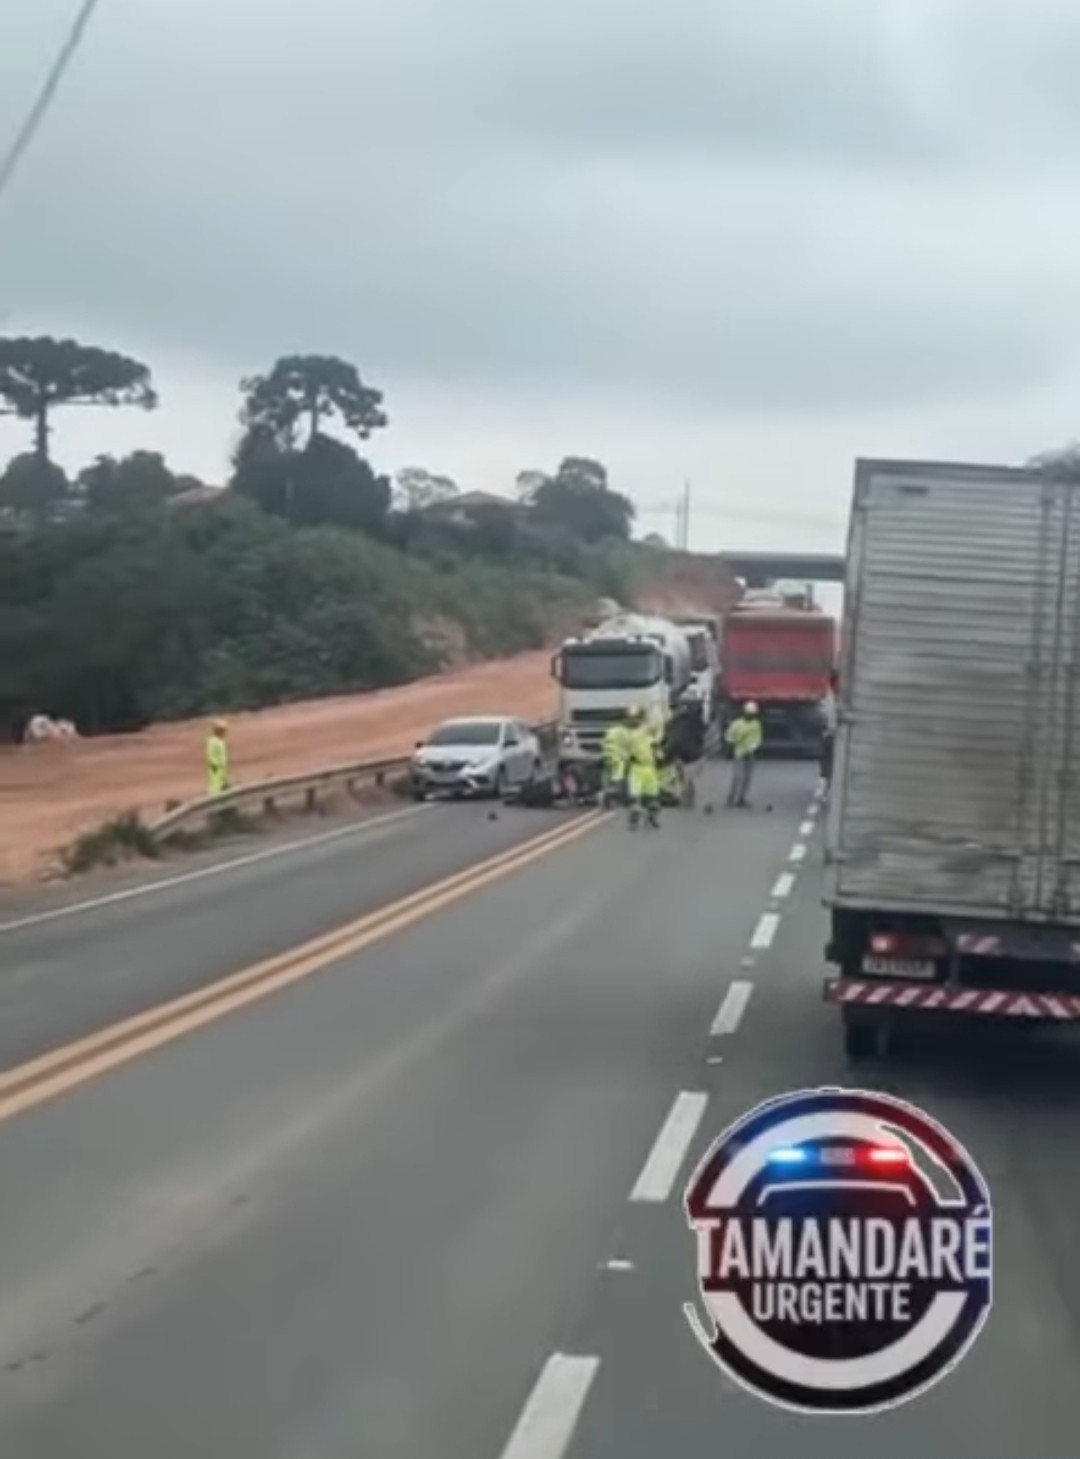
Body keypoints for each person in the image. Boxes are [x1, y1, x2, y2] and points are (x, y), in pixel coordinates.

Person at [625, 707, 661, 829]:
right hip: (637, 769)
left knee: (652, 799)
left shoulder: (647, 733)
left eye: (637, 718)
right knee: (635, 799)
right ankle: (634, 822)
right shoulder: (631, 735)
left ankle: (651, 819)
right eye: (633, 718)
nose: (634, 721)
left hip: (650, 769)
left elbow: (655, 744)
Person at [725, 701, 762, 807]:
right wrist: (734, 744)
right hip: (739, 753)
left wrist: (752, 748)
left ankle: (741, 797)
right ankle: (732, 797)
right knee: (738, 776)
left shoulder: (756, 724)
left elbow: (757, 738)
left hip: (750, 753)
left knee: (747, 777)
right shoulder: (737, 724)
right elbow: (729, 737)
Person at [601, 714, 632, 807]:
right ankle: (619, 797)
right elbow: (629, 745)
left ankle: (608, 795)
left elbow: (604, 743)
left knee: (609, 778)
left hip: (608, 757)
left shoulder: (610, 731)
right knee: (620, 779)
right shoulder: (625, 732)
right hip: (619, 759)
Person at [819, 671, 838, 791]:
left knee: (827, 760)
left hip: (830, 733)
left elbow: (824, 713)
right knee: (828, 760)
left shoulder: (829, 697)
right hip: (832, 733)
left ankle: (825, 784)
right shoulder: (831, 697)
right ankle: (825, 784)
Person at [206, 718, 230, 796]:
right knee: (216, 786)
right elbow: (213, 757)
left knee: (219, 784)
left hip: (219, 767)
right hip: (217, 768)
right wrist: (217, 767)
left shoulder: (217, 741)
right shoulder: (215, 741)